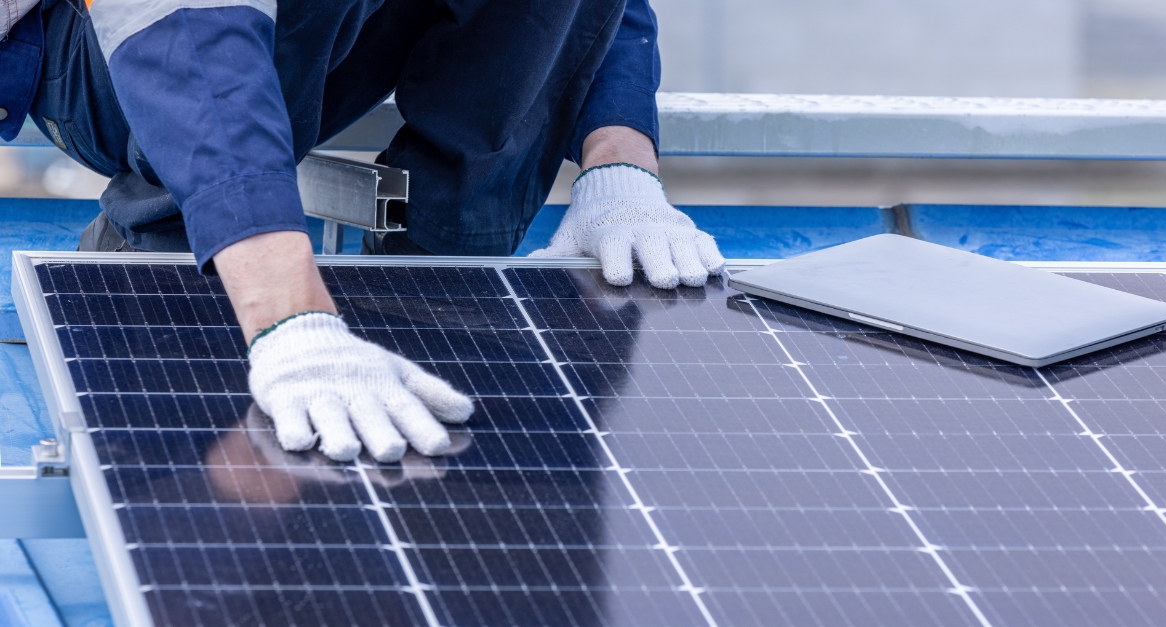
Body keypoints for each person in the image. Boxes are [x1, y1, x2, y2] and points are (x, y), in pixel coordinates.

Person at [0, 0, 726, 463]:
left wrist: (620, 167)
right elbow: (189, 35)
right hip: (106, 51)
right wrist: (289, 316)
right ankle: (178, 257)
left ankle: (436, 282)